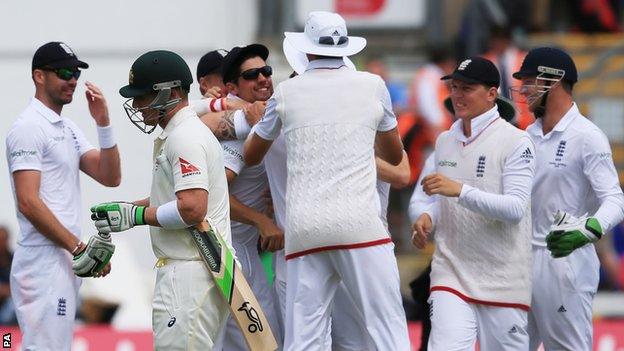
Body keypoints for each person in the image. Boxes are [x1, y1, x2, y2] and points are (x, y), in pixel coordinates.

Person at [244, 11, 410, 350]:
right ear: (345, 48)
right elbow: (395, 157)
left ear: (308, 49)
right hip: (360, 227)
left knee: (304, 338)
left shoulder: (287, 92)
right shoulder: (373, 86)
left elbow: (251, 155)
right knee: (386, 328)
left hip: (306, 230)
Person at [89, 50, 231, 350]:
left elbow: (192, 208)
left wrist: (137, 217)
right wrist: (129, 209)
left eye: (143, 96)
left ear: (172, 91)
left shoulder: (185, 137)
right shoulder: (182, 133)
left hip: (190, 272)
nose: (138, 106)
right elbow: (172, 198)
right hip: (191, 272)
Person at [411, 56, 535, 350]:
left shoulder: (517, 141)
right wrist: (429, 216)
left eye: (467, 88)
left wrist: (459, 190)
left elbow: (515, 209)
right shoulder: (444, 141)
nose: (457, 95)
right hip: (450, 273)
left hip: (503, 279)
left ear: (492, 93)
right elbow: (438, 200)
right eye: (454, 87)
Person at [5, 41, 121, 349]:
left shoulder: (67, 127)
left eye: (76, 74)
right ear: (39, 76)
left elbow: (111, 177)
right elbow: (28, 202)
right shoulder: (29, 127)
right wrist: (79, 248)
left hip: (62, 257)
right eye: (64, 72)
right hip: (42, 259)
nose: (72, 80)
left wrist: (104, 123)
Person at [511, 46, 624, 350]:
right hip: (519, 261)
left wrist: (587, 230)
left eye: (531, 80)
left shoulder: (587, 135)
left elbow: (615, 198)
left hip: (564, 261)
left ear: (554, 82)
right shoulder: (525, 135)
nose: (524, 89)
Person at [210, 43, 283, 350]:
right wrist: (263, 221)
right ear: (232, 87)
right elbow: (213, 194)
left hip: (233, 251)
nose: (263, 78)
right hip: (233, 252)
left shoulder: (261, 118)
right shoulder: (242, 129)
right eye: (252, 75)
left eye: (266, 71)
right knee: (266, 342)